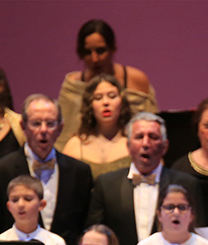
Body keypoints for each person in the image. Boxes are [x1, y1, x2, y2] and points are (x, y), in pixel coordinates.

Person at [0, 94, 93, 245]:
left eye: (50, 123)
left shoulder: (79, 172)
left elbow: (83, 228)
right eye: (36, 123)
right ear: (23, 126)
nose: (43, 130)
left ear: (60, 128)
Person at [86, 112, 202, 245]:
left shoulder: (187, 184)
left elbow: (197, 233)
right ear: (128, 145)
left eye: (153, 137)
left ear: (165, 146)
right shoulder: (106, 184)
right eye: (139, 137)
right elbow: (93, 234)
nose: (146, 143)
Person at [56, 19, 157, 150]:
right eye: (88, 52)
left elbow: (153, 126)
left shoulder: (135, 80)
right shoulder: (74, 86)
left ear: (112, 49)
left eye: (100, 50)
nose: (94, 59)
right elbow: (63, 137)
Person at [61, 74, 133, 179]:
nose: (105, 102)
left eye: (112, 96)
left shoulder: (135, 143)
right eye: (98, 98)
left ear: (122, 101)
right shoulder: (75, 145)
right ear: (90, 105)